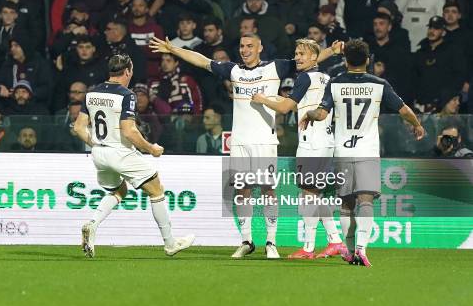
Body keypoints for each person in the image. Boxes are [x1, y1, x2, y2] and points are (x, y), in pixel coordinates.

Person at [150, 33, 341, 259]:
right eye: (242, 46)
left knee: (268, 191)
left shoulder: (275, 67)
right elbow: (202, 61)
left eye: (250, 46)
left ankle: (271, 242)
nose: (245, 49)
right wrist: (173, 50)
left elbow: (309, 59)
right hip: (239, 141)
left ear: (260, 48)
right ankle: (247, 240)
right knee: (242, 191)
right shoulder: (233, 71)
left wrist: (332, 52)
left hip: (265, 140)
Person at [300, 39, 425, 267]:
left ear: (345, 59)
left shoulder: (335, 84)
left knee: (346, 204)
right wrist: (417, 124)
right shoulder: (379, 84)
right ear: (368, 60)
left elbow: (321, 113)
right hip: (367, 150)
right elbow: (404, 110)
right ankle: (361, 249)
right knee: (365, 201)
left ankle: (348, 250)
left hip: (342, 151)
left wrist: (308, 114)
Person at [73, 53, 195, 258]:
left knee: (119, 191)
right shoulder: (126, 94)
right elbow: (129, 131)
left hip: (99, 153)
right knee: (156, 189)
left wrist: (96, 144)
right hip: (119, 153)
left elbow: (78, 128)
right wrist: (151, 148)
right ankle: (170, 243)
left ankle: (92, 224)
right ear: (128, 71)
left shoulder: (91, 93)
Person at [251, 39, 343, 259]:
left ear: (314, 57)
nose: (298, 57)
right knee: (312, 195)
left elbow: (285, 108)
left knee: (309, 196)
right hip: (325, 141)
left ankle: (318, 245)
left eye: (302, 53)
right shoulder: (326, 78)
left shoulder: (305, 78)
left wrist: (263, 99)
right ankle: (328, 243)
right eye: (296, 53)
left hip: (312, 143)